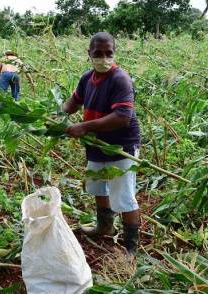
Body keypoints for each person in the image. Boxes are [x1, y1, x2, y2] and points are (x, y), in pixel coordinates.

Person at [63, 32, 141, 255]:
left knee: (123, 196)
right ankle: (104, 227)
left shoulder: (120, 79)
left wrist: (85, 127)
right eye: (98, 53)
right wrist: (60, 115)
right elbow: (74, 101)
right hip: (96, 142)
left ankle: (130, 249)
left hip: (121, 146)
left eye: (109, 53)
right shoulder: (87, 78)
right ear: (89, 53)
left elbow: (122, 117)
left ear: (114, 54)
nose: (104, 58)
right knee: (98, 185)